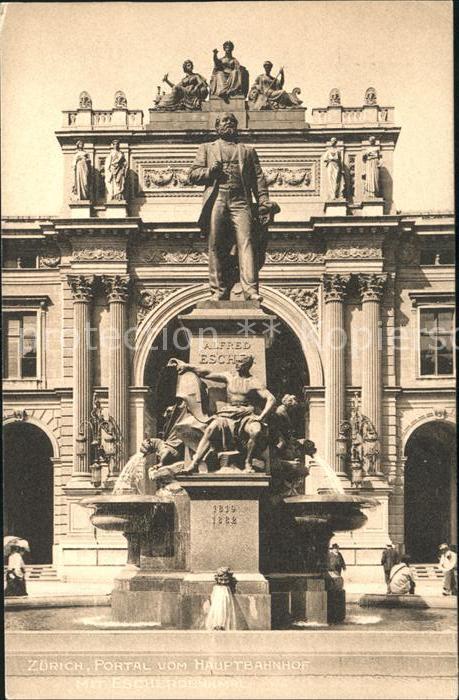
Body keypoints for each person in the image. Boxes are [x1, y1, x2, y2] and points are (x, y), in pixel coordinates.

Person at [188, 112, 278, 301]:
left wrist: (263, 201)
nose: (229, 123)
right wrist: (210, 172)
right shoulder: (206, 148)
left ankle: (250, 289)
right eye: (224, 121)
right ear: (217, 126)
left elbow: (258, 179)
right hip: (217, 199)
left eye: (232, 121)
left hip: (241, 200)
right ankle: (218, 290)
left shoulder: (247, 150)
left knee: (247, 243)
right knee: (216, 245)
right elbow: (193, 175)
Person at [172, 355, 276, 473]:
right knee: (211, 428)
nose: (236, 364)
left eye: (240, 362)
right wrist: (188, 366)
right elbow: (206, 373)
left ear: (247, 365)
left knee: (256, 431)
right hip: (227, 415)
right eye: (236, 361)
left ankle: (248, 462)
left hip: (246, 416)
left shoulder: (253, 382)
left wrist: (261, 417)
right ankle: (194, 464)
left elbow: (271, 399)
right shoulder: (229, 376)